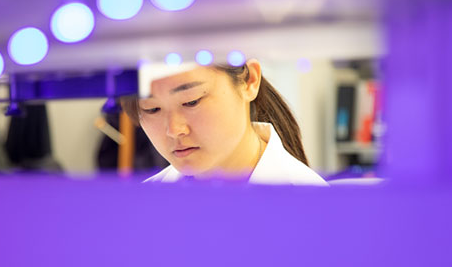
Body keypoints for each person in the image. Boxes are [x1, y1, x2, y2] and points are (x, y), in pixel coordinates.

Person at [121, 59, 327, 185]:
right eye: (152, 109)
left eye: (191, 101)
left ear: (250, 81)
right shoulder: (146, 206)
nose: (174, 130)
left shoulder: (314, 209)